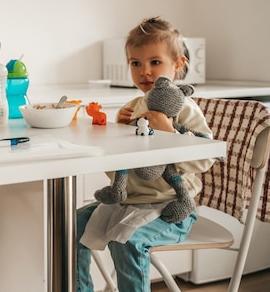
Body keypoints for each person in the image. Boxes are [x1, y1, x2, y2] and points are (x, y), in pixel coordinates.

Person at [75, 17, 215, 292]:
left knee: (127, 241)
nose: (145, 72)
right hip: (130, 202)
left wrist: (170, 134)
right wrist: (118, 131)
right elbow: (118, 169)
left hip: (171, 209)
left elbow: (206, 158)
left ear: (178, 65)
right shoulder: (133, 106)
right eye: (135, 63)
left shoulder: (185, 108)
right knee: (70, 224)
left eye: (155, 62)